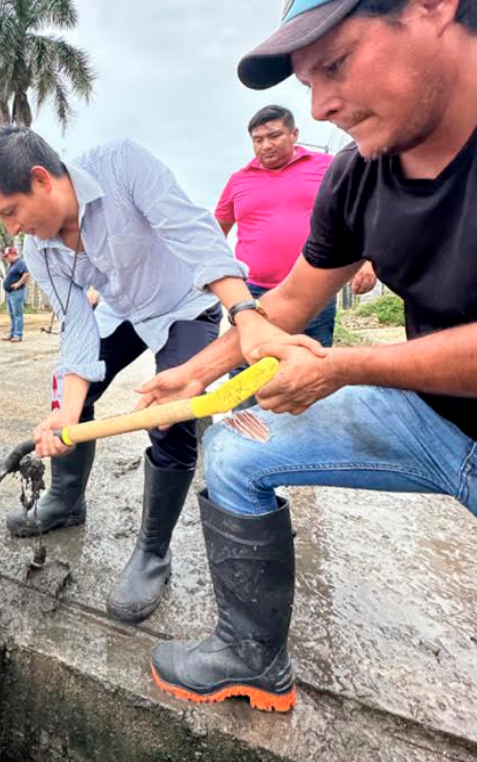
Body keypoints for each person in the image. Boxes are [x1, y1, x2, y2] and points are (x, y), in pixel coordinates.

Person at [140, 0, 477, 713]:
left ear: (433, 6)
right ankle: (250, 654)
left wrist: (342, 367)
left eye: (336, 65)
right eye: (306, 84)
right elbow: (288, 302)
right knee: (234, 453)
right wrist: (195, 373)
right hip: (432, 420)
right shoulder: (358, 174)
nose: (320, 107)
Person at [0, 127, 310, 626]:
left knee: (169, 418)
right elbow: (77, 332)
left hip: (183, 304)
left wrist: (245, 312)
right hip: (121, 311)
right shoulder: (40, 250)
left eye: (10, 213)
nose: (12, 229)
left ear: (41, 180)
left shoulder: (121, 166)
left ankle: (152, 552)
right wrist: (66, 413)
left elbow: (193, 232)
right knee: (71, 393)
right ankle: (64, 499)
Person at [216, 104, 377, 350]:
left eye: (274, 136)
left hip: (315, 288)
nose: (266, 145)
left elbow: (364, 213)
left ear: (294, 134)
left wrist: (369, 261)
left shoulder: (327, 166)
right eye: (257, 140)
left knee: (311, 365)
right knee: (246, 364)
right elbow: (216, 234)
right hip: (253, 293)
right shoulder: (239, 180)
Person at [2, 246, 30, 342]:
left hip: (17, 293)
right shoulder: (12, 265)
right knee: (12, 314)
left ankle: (18, 335)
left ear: (12, 254)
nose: (6, 258)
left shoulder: (20, 263)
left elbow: (26, 274)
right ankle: (12, 333)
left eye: (7, 256)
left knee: (17, 314)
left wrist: (18, 284)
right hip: (10, 293)